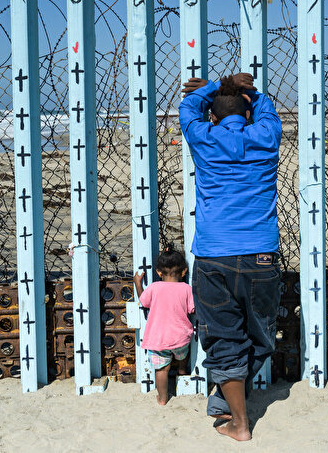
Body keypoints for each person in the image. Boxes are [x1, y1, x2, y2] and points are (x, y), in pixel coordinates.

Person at [179, 72, 282, 442]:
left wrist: (211, 89)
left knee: (224, 339)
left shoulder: (203, 138)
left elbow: (187, 109)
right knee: (261, 337)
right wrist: (245, 91)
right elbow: (266, 109)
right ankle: (229, 397)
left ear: (212, 116)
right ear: (248, 113)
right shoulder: (266, 135)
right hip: (260, 255)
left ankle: (238, 421)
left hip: (214, 256)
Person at [132, 245, 195, 405]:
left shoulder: (154, 287)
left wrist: (138, 283)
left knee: (161, 370)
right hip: (180, 337)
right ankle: (182, 369)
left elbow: (144, 302)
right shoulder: (187, 289)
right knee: (183, 355)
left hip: (158, 339)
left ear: (159, 272)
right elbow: (192, 309)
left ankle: (162, 398)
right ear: (184, 271)